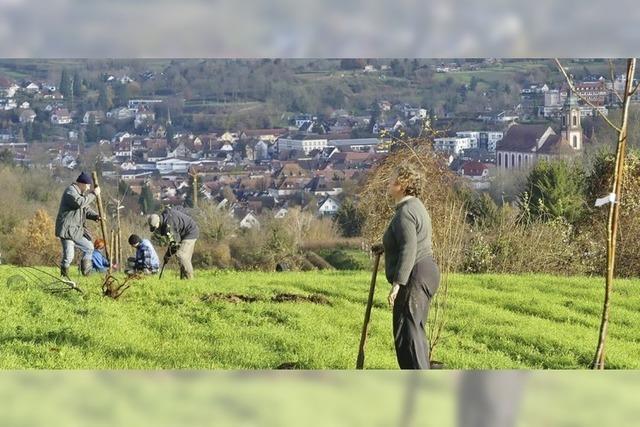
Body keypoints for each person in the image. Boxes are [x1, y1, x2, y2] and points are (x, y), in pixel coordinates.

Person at [373, 164, 440, 369]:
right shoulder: (416, 206)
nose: (388, 182)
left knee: (407, 337)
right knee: (415, 332)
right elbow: (410, 240)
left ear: (402, 185)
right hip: (426, 270)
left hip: (414, 276)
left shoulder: (405, 213)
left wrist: (397, 284)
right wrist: (384, 246)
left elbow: (409, 247)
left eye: (392, 178)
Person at [55, 171, 101, 278]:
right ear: (82, 183)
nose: (89, 187)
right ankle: (64, 277)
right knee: (69, 257)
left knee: (89, 247)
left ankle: (86, 273)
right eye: (88, 185)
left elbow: (85, 209)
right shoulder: (70, 192)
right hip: (67, 231)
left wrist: (95, 216)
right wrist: (94, 194)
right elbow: (80, 203)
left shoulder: (79, 194)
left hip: (76, 231)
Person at [148, 207, 198, 279]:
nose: (157, 230)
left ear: (158, 223)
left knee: (181, 255)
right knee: (184, 259)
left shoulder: (169, 226)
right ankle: (184, 281)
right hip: (184, 233)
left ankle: (189, 279)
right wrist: (167, 255)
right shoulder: (165, 217)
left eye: (156, 228)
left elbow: (175, 244)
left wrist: (167, 255)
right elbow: (174, 242)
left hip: (190, 232)